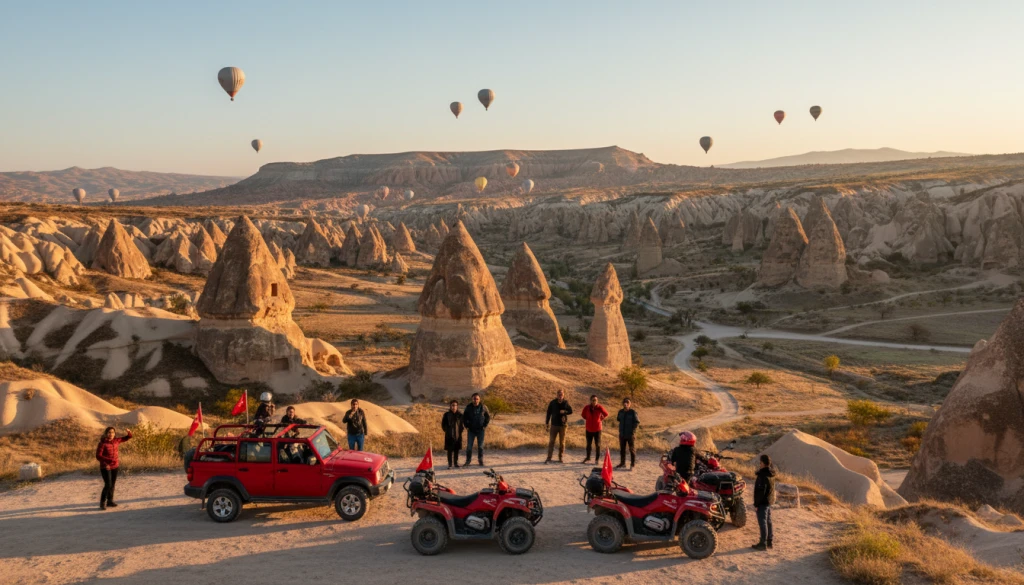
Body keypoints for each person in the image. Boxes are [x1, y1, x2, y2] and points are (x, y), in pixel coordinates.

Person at [95, 426, 133, 510]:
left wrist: (129, 432)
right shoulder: (102, 443)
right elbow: (98, 456)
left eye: (112, 432)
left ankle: (110, 501)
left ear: (114, 433)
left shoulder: (116, 441)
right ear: (106, 433)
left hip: (115, 466)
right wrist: (108, 461)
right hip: (105, 466)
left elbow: (128, 437)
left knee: (112, 484)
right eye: (109, 432)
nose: (111, 434)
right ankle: (102, 502)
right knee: (108, 484)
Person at [752, 454, 777, 550]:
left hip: (762, 502)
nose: (759, 464)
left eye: (760, 462)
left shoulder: (762, 476)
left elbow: (760, 492)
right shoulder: (771, 474)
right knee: (768, 522)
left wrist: (756, 504)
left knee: (763, 523)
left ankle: (763, 543)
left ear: (763, 463)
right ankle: (769, 541)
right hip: (768, 501)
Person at [544, 389, 573, 464]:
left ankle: (560, 457)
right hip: (554, 425)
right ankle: (549, 457)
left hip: (563, 426)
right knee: (551, 442)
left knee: (562, 442)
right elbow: (548, 413)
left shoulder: (565, 403)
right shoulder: (553, 403)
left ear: (563, 395)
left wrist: (565, 412)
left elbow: (571, 411)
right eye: (559, 394)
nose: (560, 396)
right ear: (557, 395)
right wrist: (547, 423)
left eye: (562, 394)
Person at [463, 393, 491, 466]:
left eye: (477, 399)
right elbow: (464, 418)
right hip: (471, 430)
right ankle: (468, 461)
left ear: (479, 399)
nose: (475, 400)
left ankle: (480, 460)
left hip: (481, 430)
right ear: (472, 399)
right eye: (474, 399)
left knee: (480, 446)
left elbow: (488, 417)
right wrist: (467, 426)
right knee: (469, 446)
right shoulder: (468, 407)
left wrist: (484, 426)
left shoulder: (484, 407)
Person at [580, 395, 609, 464]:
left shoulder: (599, 407)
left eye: (595, 400)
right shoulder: (587, 407)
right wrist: (588, 419)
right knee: (588, 444)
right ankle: (588, 457)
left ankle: (597, 459)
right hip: (589, 429)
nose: (594, 401)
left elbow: (606, 414)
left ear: (597, 401)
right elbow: (583, 415)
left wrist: (600, 419)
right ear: (590, 401)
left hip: (597, 429)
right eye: (593, 400)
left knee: (597, 445)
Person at [615, 398, 640, 470]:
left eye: (627, 402)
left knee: (631, 449)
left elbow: (637, 422)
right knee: (622, 450)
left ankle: (632, 464)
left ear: (630, 404)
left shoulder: (633, 412)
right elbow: (618, 419)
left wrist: (633, 431)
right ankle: (622, 463)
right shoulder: (620, 412)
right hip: (622, 434)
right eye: (624, 402)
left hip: (630, 434)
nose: (625, 404)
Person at [440, 400, 464, 469]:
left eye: (455, 405)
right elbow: (443, 425)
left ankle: (456, 463)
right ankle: (450, 464)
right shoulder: (446, 415)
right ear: (450, 406)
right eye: (452, 405)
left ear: (457, 406)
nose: (454, 407)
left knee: (456, 450)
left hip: (457, 436)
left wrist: (459, 432)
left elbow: (462, 425)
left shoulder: (460, 415)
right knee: (449, 451)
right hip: (449, 435)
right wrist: (447, 431)